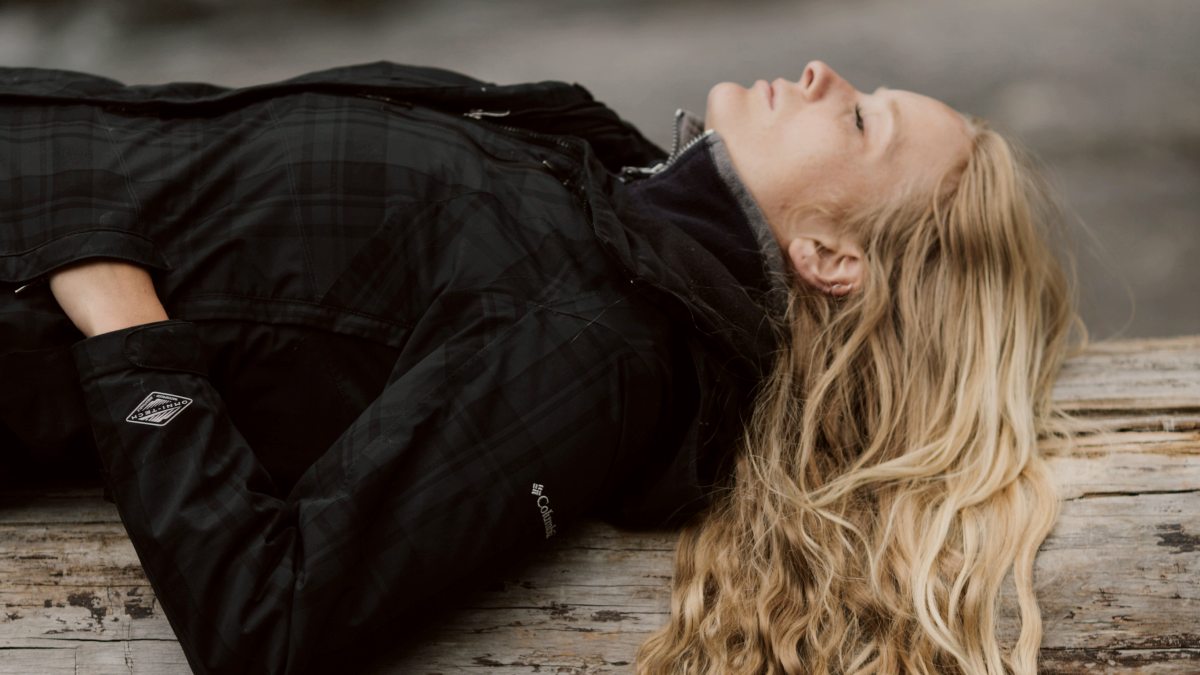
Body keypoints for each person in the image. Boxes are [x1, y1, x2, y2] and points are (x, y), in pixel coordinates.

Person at [0, 59, 1079, 674]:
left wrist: (117, 314)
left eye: (858, 119)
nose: (820, 70)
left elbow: (269, 619)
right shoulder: (607, 197)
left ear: (831, 259)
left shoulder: (605, 345)